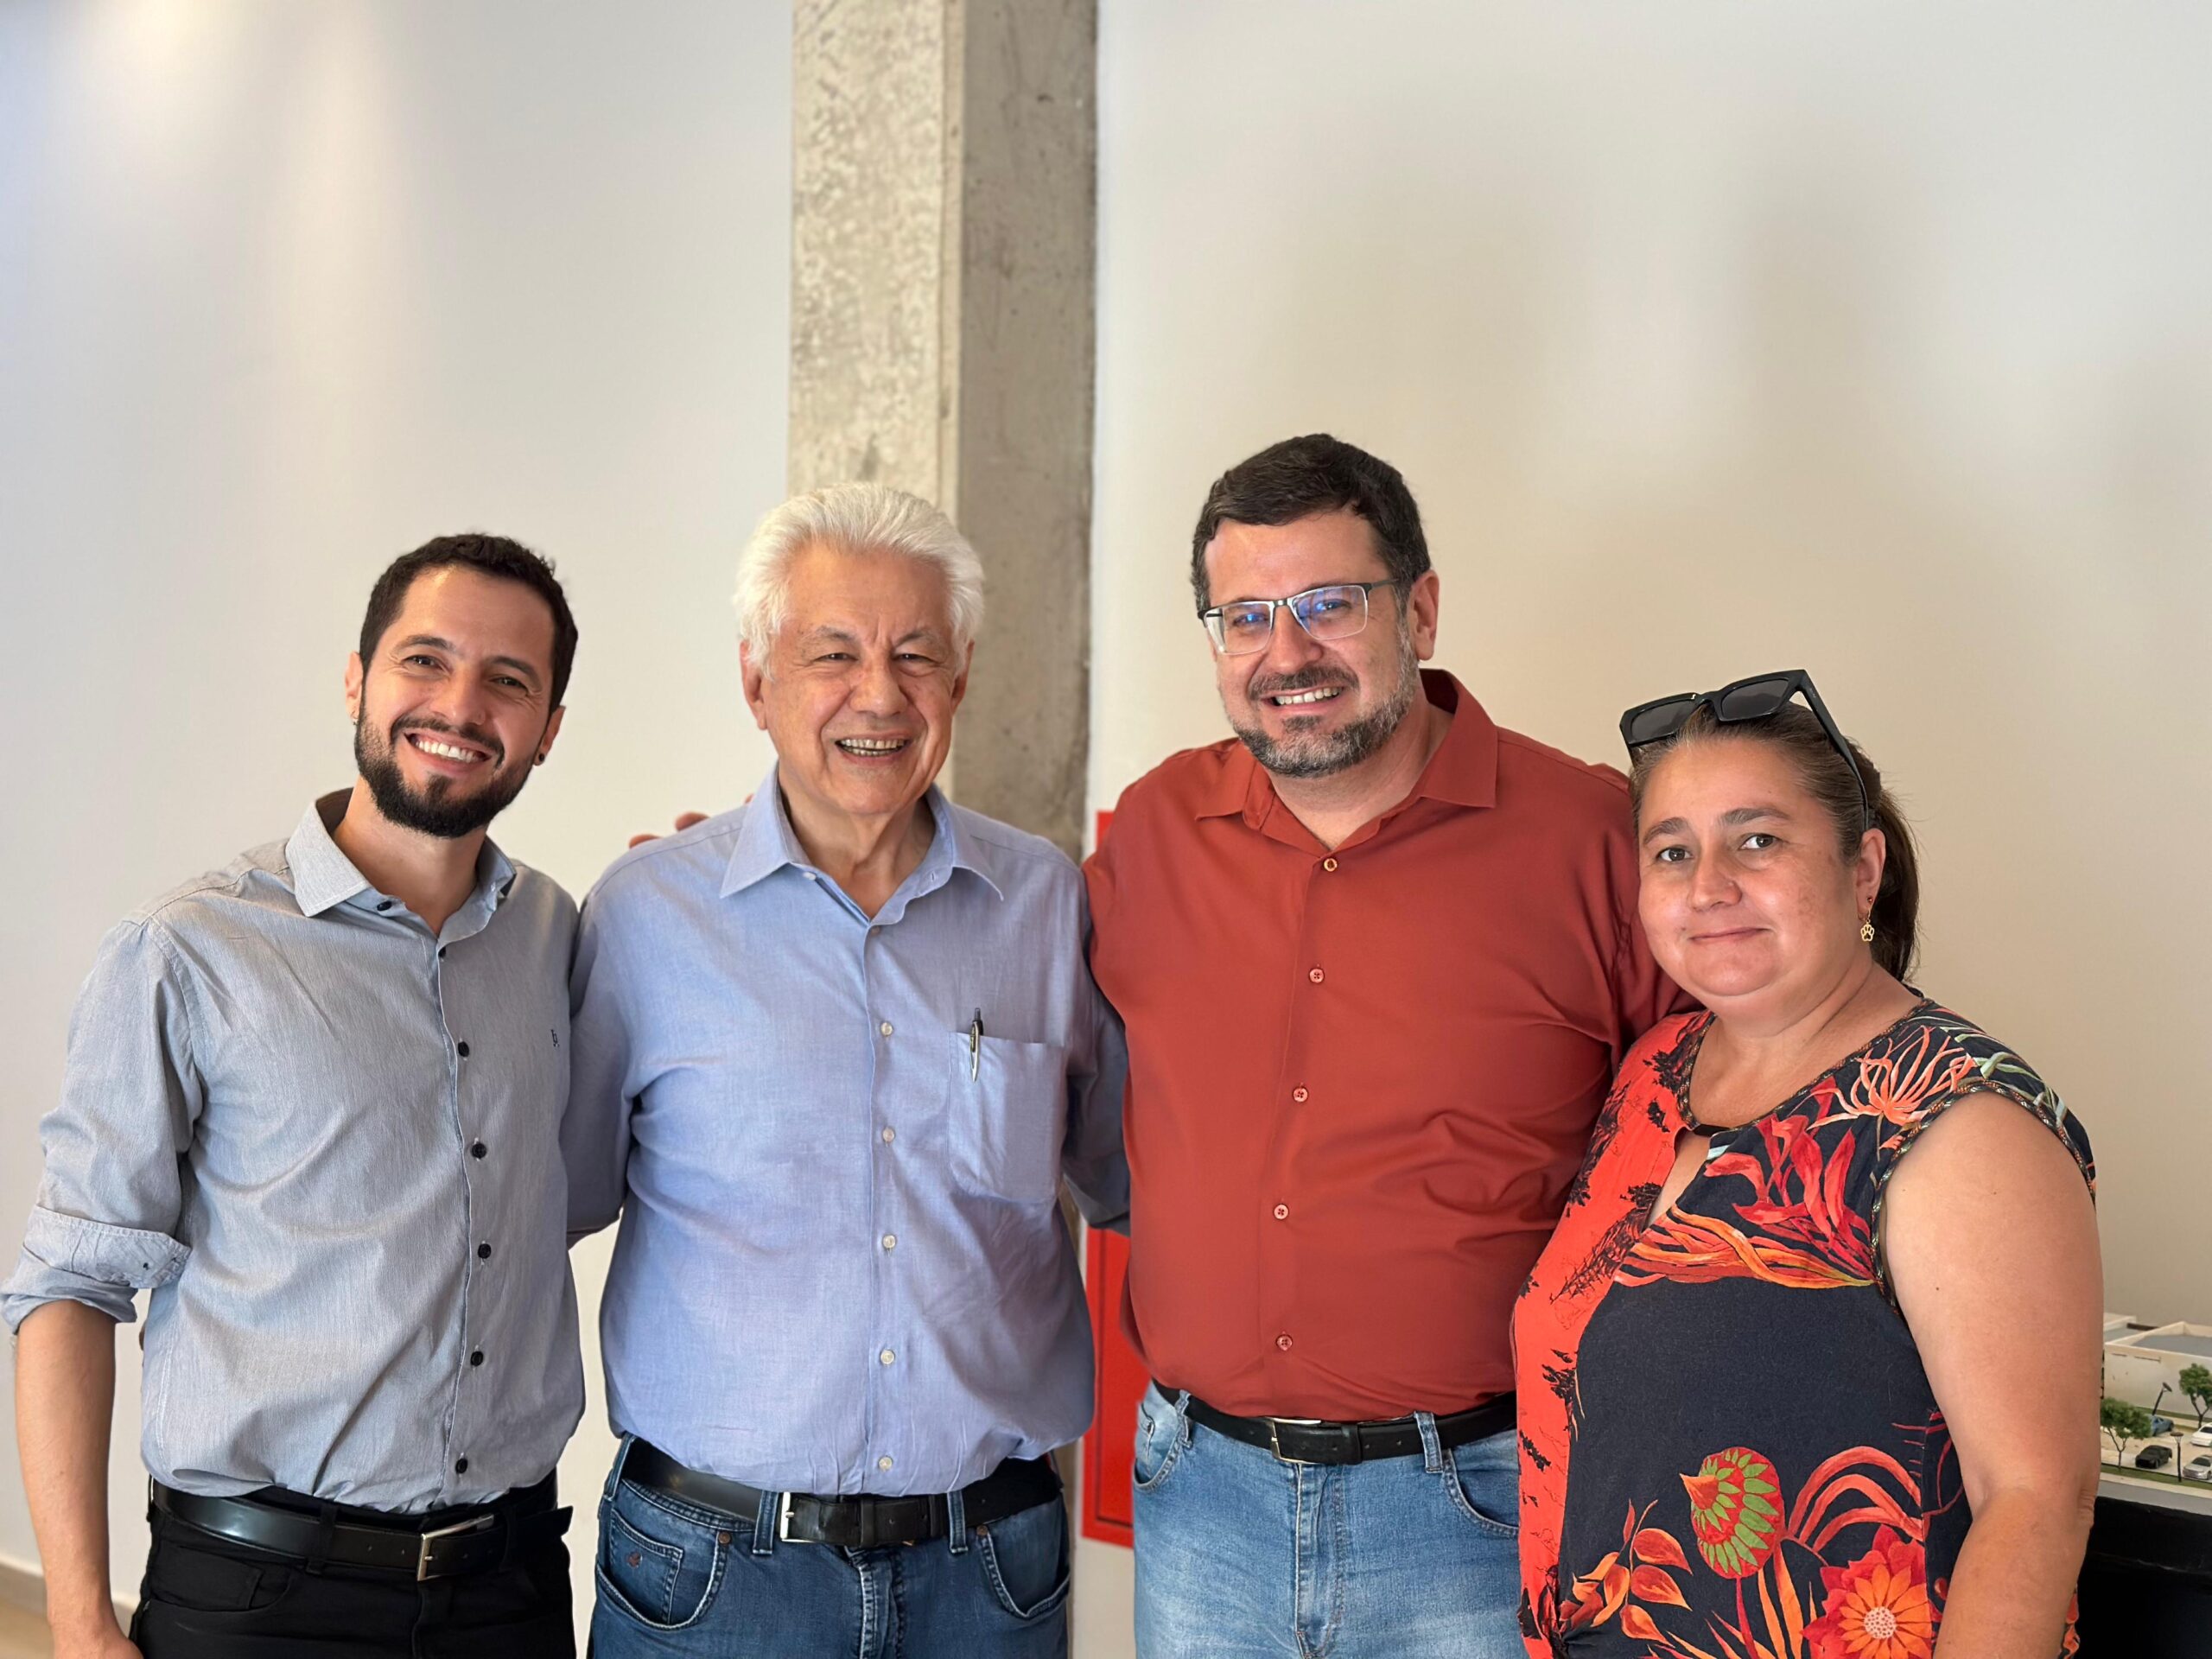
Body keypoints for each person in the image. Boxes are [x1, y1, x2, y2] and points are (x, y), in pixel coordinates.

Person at [1085, 434, 1680, 1656]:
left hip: (1479, 1500)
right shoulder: (1154, 831)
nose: (1286, 654)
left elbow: (1725, 1127)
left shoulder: (1592, 841)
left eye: (1328, 605)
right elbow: (985, 979)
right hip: (1200, 1497)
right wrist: (811, 873)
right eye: (1245, 617)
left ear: (1419, 611)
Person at [564, 483, 1127, 1657]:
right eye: (833, 654)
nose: (879, 694)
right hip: (712, 1573)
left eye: (916, 655)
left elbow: (1130, 1180)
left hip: (989, 1574)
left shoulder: (1045, 903)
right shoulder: (647, 917)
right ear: (756, 681)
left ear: (960, 680)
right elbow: (553, 1200)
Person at [5, 536, 587, 1658]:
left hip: (510, 1589)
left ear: (548, 727)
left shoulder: (555, 935)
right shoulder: (190, 950)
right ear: (357, 679)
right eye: (425, 660)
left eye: (508, 680)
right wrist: (77, 1622)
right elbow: (70, 1287)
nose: (460, 706)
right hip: (260, 1598)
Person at [1513, 671, 2099, 1658]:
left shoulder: (1956, 1118)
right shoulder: (1655, 1071)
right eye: (1672, 851)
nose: (1708, 886)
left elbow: (2035, 1502)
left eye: (1757, 840)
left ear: (1862, 870)